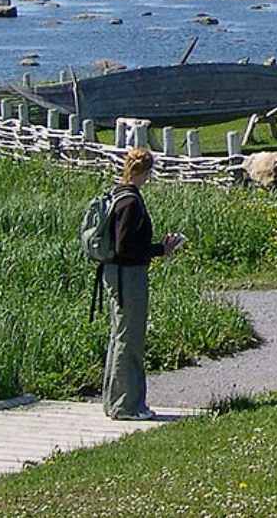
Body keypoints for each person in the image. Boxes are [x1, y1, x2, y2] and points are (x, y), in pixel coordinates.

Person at [102, 147, 185, 421]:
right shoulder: (131, 202)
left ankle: (115, 403)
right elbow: (126, 247)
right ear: (146, 172)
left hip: (117, 275)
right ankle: (127, 406)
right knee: (130, 340)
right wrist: (161, 249)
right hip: (129, 277)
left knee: (120, 337)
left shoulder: (119, 194)